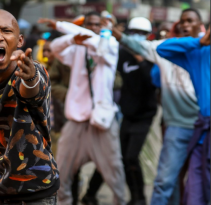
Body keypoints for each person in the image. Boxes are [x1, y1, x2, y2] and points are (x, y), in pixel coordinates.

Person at [107, 8, 203, 205]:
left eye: (190, 21)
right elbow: (151, 53)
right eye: (182, 21)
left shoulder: (205, 51)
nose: (185, 25)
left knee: (200, 184)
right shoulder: (164, 50)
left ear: (200, 26)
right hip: (177, 126)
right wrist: (116, 33)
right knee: (165, 181)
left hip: (204, 127)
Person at [0, 9, 59, 205]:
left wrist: (30, 77)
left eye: (6, 31)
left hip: (35, 194)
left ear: (19, 41)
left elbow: (32, 90)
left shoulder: (34, 71)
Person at [39, 12, 126, 205]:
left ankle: (120, 202)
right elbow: (55, 47)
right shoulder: (78, 49)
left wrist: (62, 25)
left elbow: (99, 45)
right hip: (76, 122)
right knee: (60, 171)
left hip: (102, 123)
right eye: (90, 25)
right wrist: (72, 37)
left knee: (115, 171)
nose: (93, 28)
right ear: (84, 27)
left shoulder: (110, 44)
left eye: (98, 25)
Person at [85, 17, 157, 205]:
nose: (137, 37)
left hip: (144, 116)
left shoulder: (152, 55)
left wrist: (141, 59)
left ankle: (138, 198)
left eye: (142, 34)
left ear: (148, 36)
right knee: (115, 157)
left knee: (131, 158)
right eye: (133, 32)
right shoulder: (122, 54)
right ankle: (90, 195)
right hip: (124, 114)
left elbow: (152, 82)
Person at [157, 27, 210, 205]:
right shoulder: (200, 52)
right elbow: (162, 49)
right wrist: (197, 42)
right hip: (202, 135)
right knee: (195, 193)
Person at [42, 39, 70, 133]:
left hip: (62, 115)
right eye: (44, 51)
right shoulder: (42, 69)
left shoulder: (65, 66)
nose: (45, 54)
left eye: (49, 51)